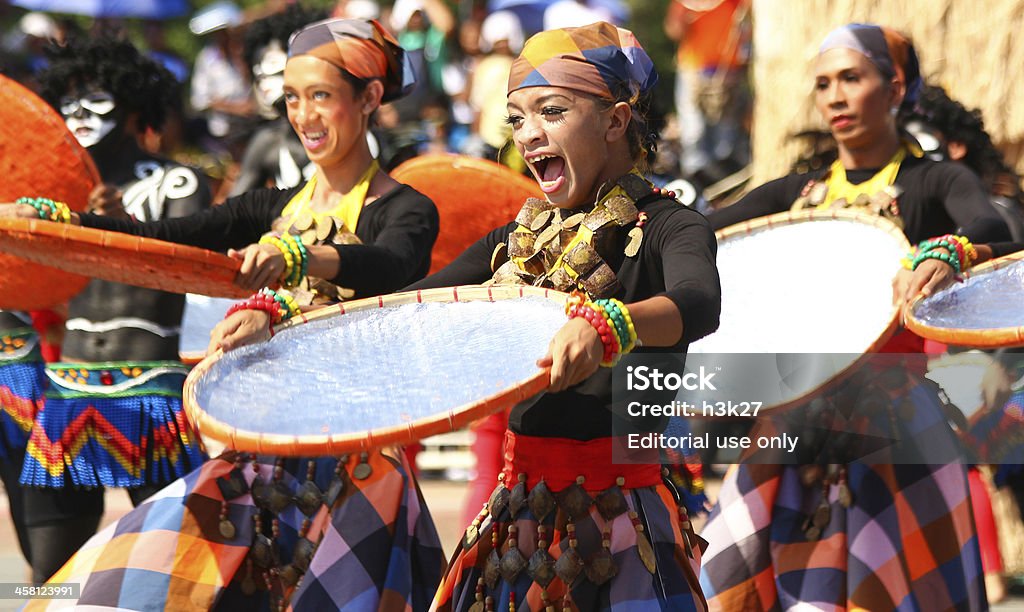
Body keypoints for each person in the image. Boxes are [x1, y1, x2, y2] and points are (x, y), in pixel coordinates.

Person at [5, 18, 443, 610]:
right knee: (115, 588)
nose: (304, 116)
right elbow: (163, 238)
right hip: (261, 464)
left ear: (368, 98)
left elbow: (390, 266)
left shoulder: (406, 209)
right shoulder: (269, 207)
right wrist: (67, 221)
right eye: (291, 97)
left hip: (358, 471)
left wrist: (299, 256)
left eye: (321, 96)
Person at [698, 24, 1010, 610]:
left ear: (893, 89)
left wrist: (951, 249)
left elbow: (992, 227)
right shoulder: (799, 194)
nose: (835, 96)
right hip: (792, 419)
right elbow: (705, 233)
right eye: (823, 84)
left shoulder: (933, 181)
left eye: (851, 78)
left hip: (896, 420)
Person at [410, 22, 720, 610]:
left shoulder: (671, 227)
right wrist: (286, 314)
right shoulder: (514, 241)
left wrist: (612, 325)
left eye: (550, 112)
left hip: (622, 521)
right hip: (518, 520)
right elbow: (415, 305)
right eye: (517, 119)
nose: (528, 135)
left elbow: (699, 303)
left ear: (615, 120)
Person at [12, 37, 211, 585]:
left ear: (131, 105)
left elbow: (186, 262)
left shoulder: (178, 181)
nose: (79, 115)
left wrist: (119, 225)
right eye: (67, 103)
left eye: (95, 100)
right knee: (45, 575)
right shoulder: (52, 195)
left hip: (152, 391)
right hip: (68, 391)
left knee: (180, 569)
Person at [230, 4, 328, 196]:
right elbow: (233, 212)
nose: (263, 80)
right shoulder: (268, 143)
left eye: (273, 66)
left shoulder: (348, 127)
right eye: (257, 72)